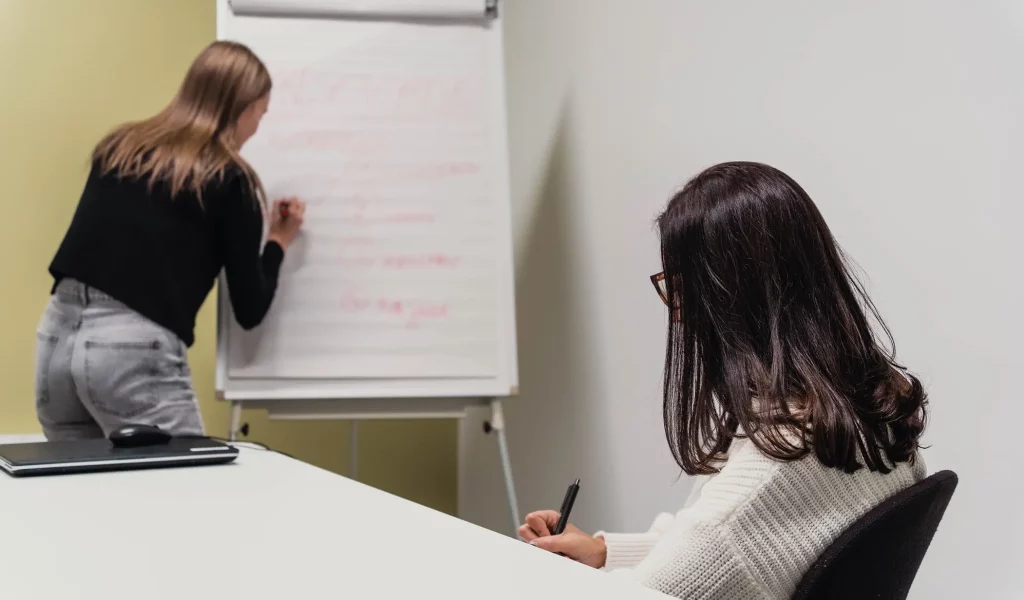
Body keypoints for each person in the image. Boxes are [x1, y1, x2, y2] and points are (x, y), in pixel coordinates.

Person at [519, 162, 928, 599]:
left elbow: (711, 551)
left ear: (728, 294)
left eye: (678, 287)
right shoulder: (873, 407)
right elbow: (727, 549)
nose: (676, 310)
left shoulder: (766, 475)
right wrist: (604, 551)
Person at [34, 41, 305, 440]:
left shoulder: (120, 147)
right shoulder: (231, 178)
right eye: (259, 115)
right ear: (244, 108)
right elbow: (250, 307)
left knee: (83, 494)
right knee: (184, 493)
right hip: (128, 349)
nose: (256, 127)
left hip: (56, 337)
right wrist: (278, 241)